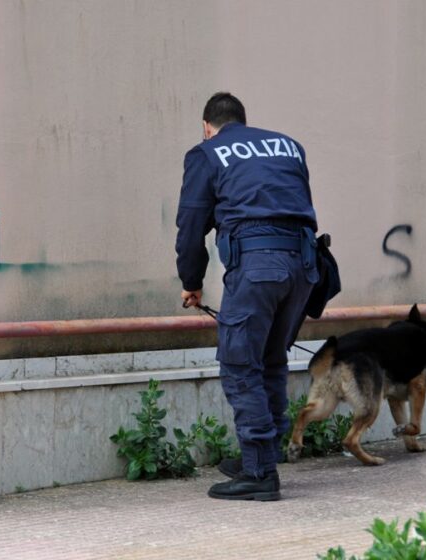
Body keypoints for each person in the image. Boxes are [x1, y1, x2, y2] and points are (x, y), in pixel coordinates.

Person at [175, 92, 318, 501]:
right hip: (303, 267)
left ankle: (258, 474)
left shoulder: (207, 153)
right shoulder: (288, 145)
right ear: (243, 120)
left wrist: (191, 280)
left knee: (240, 364)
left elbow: (191, 225)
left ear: (207, 126)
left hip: (259, 266)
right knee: (270, 359)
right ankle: (265, 454)